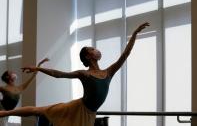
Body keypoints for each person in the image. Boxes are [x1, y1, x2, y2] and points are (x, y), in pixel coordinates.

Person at [0, 22, 149, 126]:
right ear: (88, 56)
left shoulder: (108, 71)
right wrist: (38, 68)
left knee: (40, 111)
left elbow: (125, 54)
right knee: (39, 110)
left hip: (90, 115)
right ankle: (3, 114)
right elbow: (58, 74)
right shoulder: (84, 74)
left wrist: (134, 34)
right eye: (92, 48)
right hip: (77, 109)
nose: (96, 49)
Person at [0, 58, 49, 126]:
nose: (14, 73)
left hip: (7, 113)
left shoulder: (19, 88)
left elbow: (33, 76)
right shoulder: (3, 88)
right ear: (8, 77)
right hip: (2, 110)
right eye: (11, 73)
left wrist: (39, 64)